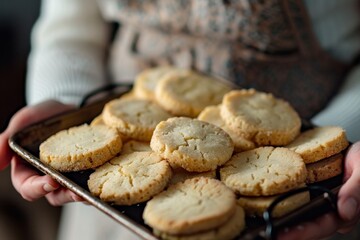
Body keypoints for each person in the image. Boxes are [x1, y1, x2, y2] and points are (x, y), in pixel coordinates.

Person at [1, 0, 360, 239]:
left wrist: (338, 138)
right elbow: (69, 25)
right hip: (114, 175)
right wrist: (67, 102)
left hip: (302, 185)